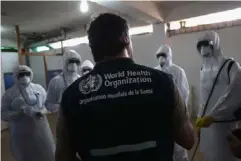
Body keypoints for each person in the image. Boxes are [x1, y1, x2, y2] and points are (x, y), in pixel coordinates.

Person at [55, 13, 195, 161]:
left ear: (92, 47)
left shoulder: (72, 95)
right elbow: (188, 140)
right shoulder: (162, 82)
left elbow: (63, 156)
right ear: (126, 39)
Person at [196, 31, 241, 161]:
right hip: (207, 127)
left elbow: (235, 94)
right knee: (210, 156)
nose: (203, 48)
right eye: (200, 45)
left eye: (206, 44)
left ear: (215, 44)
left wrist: (214, 115)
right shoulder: (203, 69)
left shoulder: (230, 66)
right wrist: (200, 117)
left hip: (225, 124)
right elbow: (204, 97)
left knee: (225, 155)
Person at [1, 65, 55, 161]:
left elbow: (48, 105)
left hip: (41, 130)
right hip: (21, 133)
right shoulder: (9, 94)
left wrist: (42, 112)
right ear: (15, 77)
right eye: (21, 74)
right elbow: (3, 114)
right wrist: (18, 113)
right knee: (26, 155)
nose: (24, 76)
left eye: (27, 74)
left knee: (47, 154)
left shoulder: (39, 88)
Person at [155, 45, 189, 161]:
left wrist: (180, 114)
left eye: (163, 55)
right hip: (160, 118)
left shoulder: (178, 71)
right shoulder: (155, 72)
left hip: (176, 116)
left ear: (169, 56)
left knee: (179, 149)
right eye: (158, 56)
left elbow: (184, 93)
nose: (161, 58)